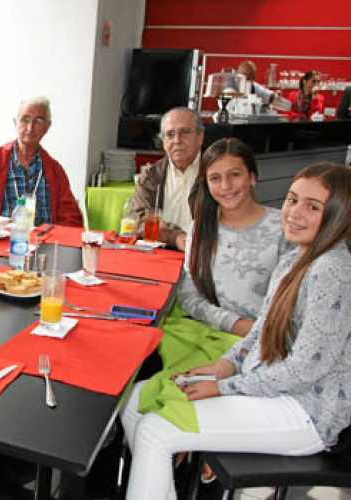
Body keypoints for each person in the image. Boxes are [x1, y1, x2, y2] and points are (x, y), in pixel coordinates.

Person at [120, 162, 351, 499]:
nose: (294, 212)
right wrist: (224, 365)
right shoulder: (296, 257)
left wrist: (225, 387)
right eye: (292, 199)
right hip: (271, 386)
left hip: (307, 410)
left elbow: (305, 369)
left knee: (156, 430)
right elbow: (260, 331)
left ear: (339, 215)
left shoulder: (332, 270)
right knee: (136, 400)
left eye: (313, 207)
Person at [179, 137, 289, 337]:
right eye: (215, 178)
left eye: (235, 175)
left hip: (266, 339)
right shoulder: (200, 228)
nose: (225, 186)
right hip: (209, 332)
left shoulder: (284, 228)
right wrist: (236, 325)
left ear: (252, 177)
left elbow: (290, 302)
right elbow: (189, 295)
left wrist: (256, 332)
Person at [0, 96, 82, 233]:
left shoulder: (55, 171)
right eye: (25, 119)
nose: (30, 128)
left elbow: (71, 220)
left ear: (47, 127)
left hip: (45, 243)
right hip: (1, 242)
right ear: (15, 123)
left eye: (38, 121)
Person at [128, 107, 204, 251]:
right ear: (163, 141)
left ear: (200, 137)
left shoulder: (214, 174)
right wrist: (175, 237)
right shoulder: (151, 176)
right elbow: (137, 220)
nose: (177, 140)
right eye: (170, 134)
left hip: (204, 252)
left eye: (185, 132)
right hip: (161, 252)